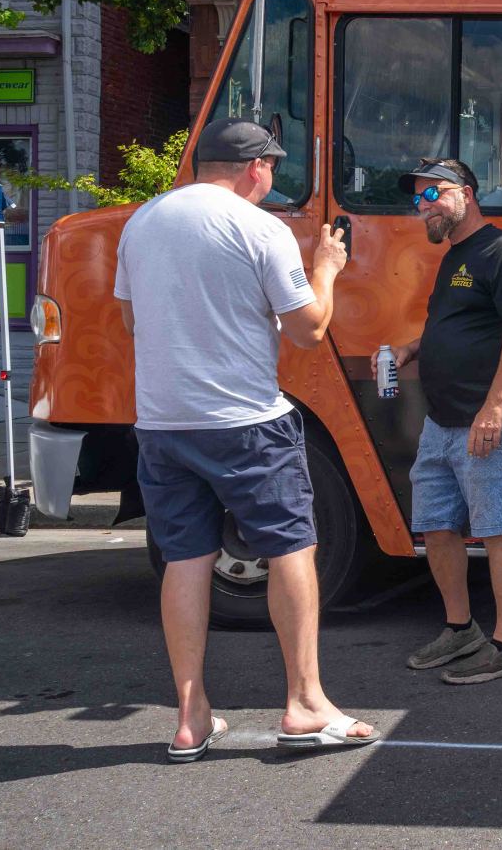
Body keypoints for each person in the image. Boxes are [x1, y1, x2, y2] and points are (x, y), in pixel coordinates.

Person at [113, 118, 375, 761]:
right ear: (254, 168)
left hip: (163, 422)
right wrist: (328, 268)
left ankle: (191, 714)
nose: (273, 181)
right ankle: (306, 702)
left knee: (185, 558)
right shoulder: (261, 229)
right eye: (272, 170)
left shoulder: (142, 223)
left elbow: (130, 318)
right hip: (246, 422)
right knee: (291, 547)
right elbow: (308, 330)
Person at [375, 157, 502, 685]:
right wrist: (412, 348)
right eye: (417, 198)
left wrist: (494, 406)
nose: (421, 206)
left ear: (465, 194)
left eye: (432, 195)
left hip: (490, 421)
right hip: (441, 422)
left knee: (495, 530)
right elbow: (456, 327)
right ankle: (460, 628)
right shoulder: (454, 259)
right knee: (436, 527)